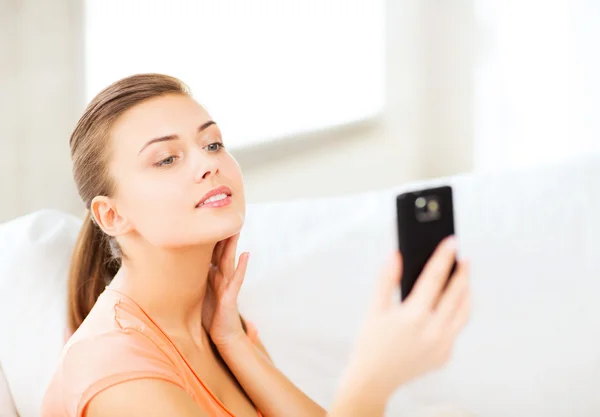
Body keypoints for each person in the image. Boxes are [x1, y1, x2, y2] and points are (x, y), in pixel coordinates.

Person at [41, 74, 471, 417]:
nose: (209, 163)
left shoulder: (220, 323)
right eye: (167, 159)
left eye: (212, 144)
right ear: (112, 216)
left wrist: (234, 343)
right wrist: (372, 379)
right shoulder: (116, 371)